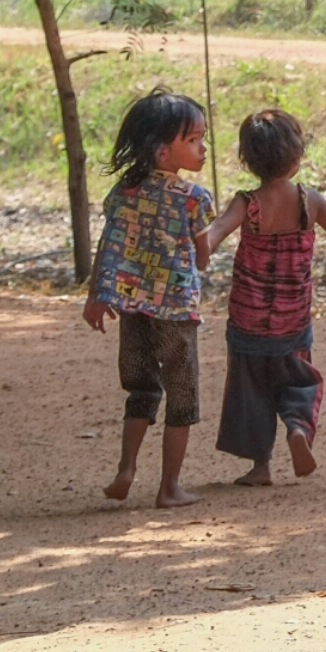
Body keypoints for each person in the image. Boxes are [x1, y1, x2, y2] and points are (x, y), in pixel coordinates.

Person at [204, 109, 326, 486]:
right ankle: (297, 426)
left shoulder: (248, 203)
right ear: (297, 158)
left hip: (249, 320)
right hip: (293, 318)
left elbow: (217, 232)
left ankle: (260, 467)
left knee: (251, 389)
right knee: (299, 379)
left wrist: (203, 243)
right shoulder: (311, 202)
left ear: (249, 162)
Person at [83, 89, 215, 509]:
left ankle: (126, 468)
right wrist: (203, 251)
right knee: (182, 397)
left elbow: (109, 247)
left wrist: (97, 296)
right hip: (176, 311)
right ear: (163, 153)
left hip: (133, 311)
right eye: (193, 139)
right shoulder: (194, 198)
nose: (203, 147)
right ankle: (169, 486)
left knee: (140, 390)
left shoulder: (123, 193)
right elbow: (203, 254)